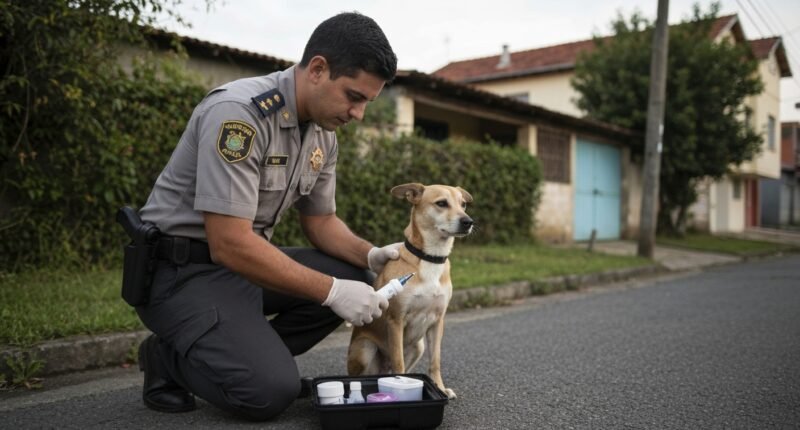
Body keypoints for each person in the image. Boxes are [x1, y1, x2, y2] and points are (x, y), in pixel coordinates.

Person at [133, 12, 400, 421]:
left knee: (356, 279)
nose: (358, 114)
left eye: (367, 101)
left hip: (241, 267)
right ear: (317, 69)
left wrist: (372, 256)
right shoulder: (240, 115)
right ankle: (168, 355)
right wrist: (331, 291)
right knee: (267, 394)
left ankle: (240, 353)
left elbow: (322, 222)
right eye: (354, 96)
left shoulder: (323, 134)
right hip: (181, 274)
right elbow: (229, 243)